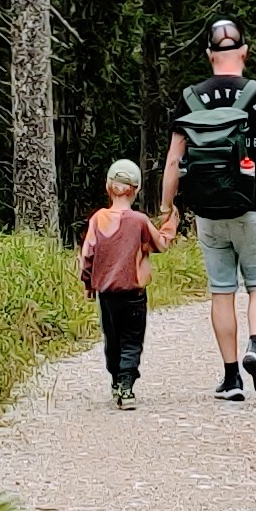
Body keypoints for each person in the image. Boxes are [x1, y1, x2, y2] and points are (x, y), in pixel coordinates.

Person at [159, 15, 256, 400]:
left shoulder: (191, 98)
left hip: (209, 213)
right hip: (254, 208)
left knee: (221, 291)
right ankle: (255, 347)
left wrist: (167, 209)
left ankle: (230, 379)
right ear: (244, 52)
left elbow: (174, 161)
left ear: (210, 55)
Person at [76, 159, 171, 406]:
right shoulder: (139, 221)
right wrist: (170, 224)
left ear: (108, 186)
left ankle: (116, 379)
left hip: (106, 294)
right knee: (132, 339)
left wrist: (88, 284)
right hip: (134, 293)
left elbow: (87, 255)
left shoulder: (98, 219)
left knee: (112, 338)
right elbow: (160, 244)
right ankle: (126, 385)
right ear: (136, 189)